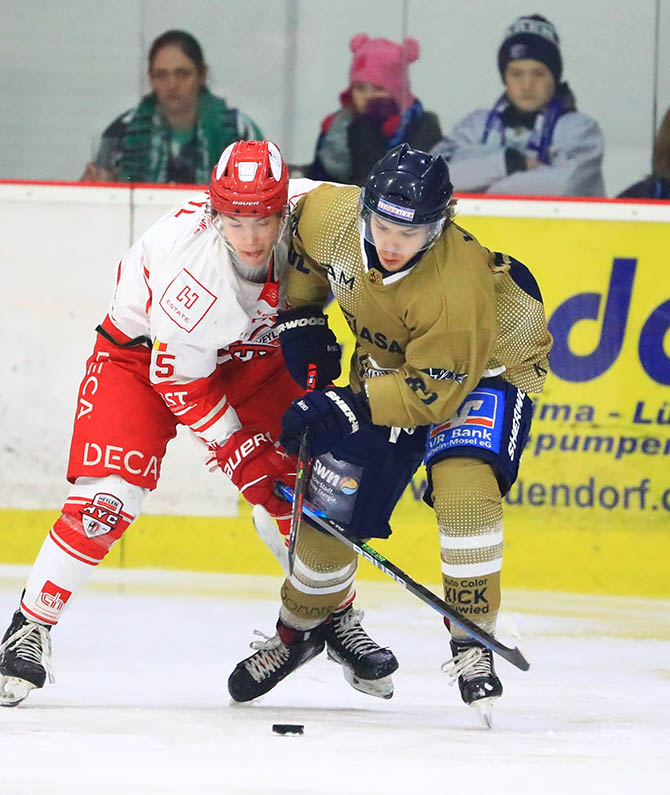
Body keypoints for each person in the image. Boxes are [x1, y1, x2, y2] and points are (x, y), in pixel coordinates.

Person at [0, 140, 391, 707]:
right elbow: (180, 381)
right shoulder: (194, 275)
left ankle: (332, 617)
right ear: (212, 211)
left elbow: (392, 225)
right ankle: (29, 628)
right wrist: (238, 450)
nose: (251, 238)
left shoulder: (320, 218)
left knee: (307, 485)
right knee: (109, 498)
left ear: (286, 209)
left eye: (265, 219)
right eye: (235, 220)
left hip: (253, 352)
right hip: (144, 356)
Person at [226, 144, 552, 722]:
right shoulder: (331, 215)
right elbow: (301, 245)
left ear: (441, 224)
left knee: (464, 490)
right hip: (390, 366)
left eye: (412, 231)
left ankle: (472, 640)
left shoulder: (457, 288)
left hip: (483, 370)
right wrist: (302, 318)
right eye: (381, 224)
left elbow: (434, 396)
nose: (392, 242)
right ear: (365, 208)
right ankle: (299, 629)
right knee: (330, 506)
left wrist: (349, 405)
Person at [433, 13, 603, 197]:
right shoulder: (475, 126)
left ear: (554, 77)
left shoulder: (581, 130)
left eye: (538, 74)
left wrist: (483, 189)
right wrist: (506, 163)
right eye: (516, 74)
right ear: (504, 77)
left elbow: (565, 187)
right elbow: (433, 178)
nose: (527, 85)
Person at [81, 30, 263, 185]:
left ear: (202, 74)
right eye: (161, 75)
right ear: (151, 78)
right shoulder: (122, 131)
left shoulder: (240, 131)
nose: (172, 84)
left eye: (182, 74)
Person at [305, 34, 441, 186]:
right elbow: (317, 180)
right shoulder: (335, 128)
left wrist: (366, 126)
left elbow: (382, 180)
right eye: (360, 88)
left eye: (379, 89)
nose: (368, 97)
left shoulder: (421, 125)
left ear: (398, 92)